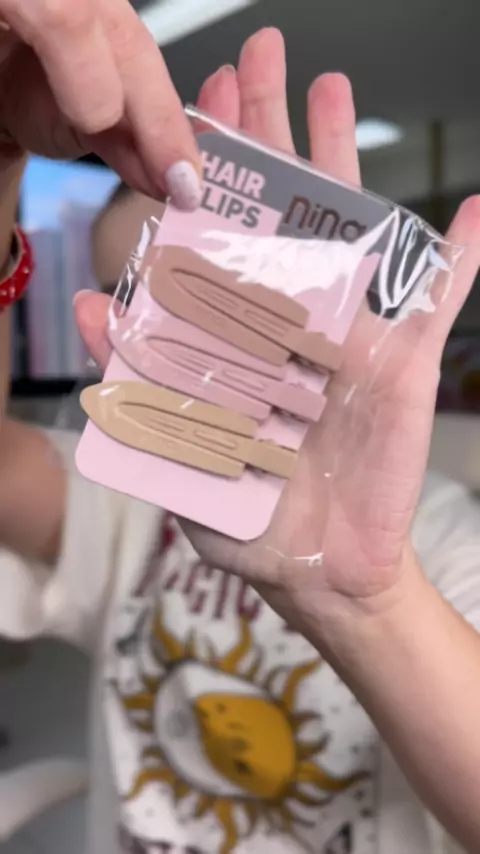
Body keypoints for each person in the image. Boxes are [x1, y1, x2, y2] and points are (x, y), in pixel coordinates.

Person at [1, 25, 480, 854]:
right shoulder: (126, 504)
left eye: (194, 283)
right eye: (128, 296)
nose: (153, 340)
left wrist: (367, 604)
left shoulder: (439, 538)